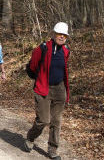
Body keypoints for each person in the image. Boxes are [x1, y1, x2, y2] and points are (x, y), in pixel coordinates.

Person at [23, 22, 71, 160]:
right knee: (43, 120)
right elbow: (32, 67)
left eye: (64, 35)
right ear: (53, 34)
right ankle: (30, 137)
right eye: (59, 34)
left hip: (60, 88)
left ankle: (52, 149)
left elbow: (64, 68)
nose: (61, 37)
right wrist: (39, 78)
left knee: (56, 121)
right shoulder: (43, 48)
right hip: (43, 87)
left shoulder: (66, 50)